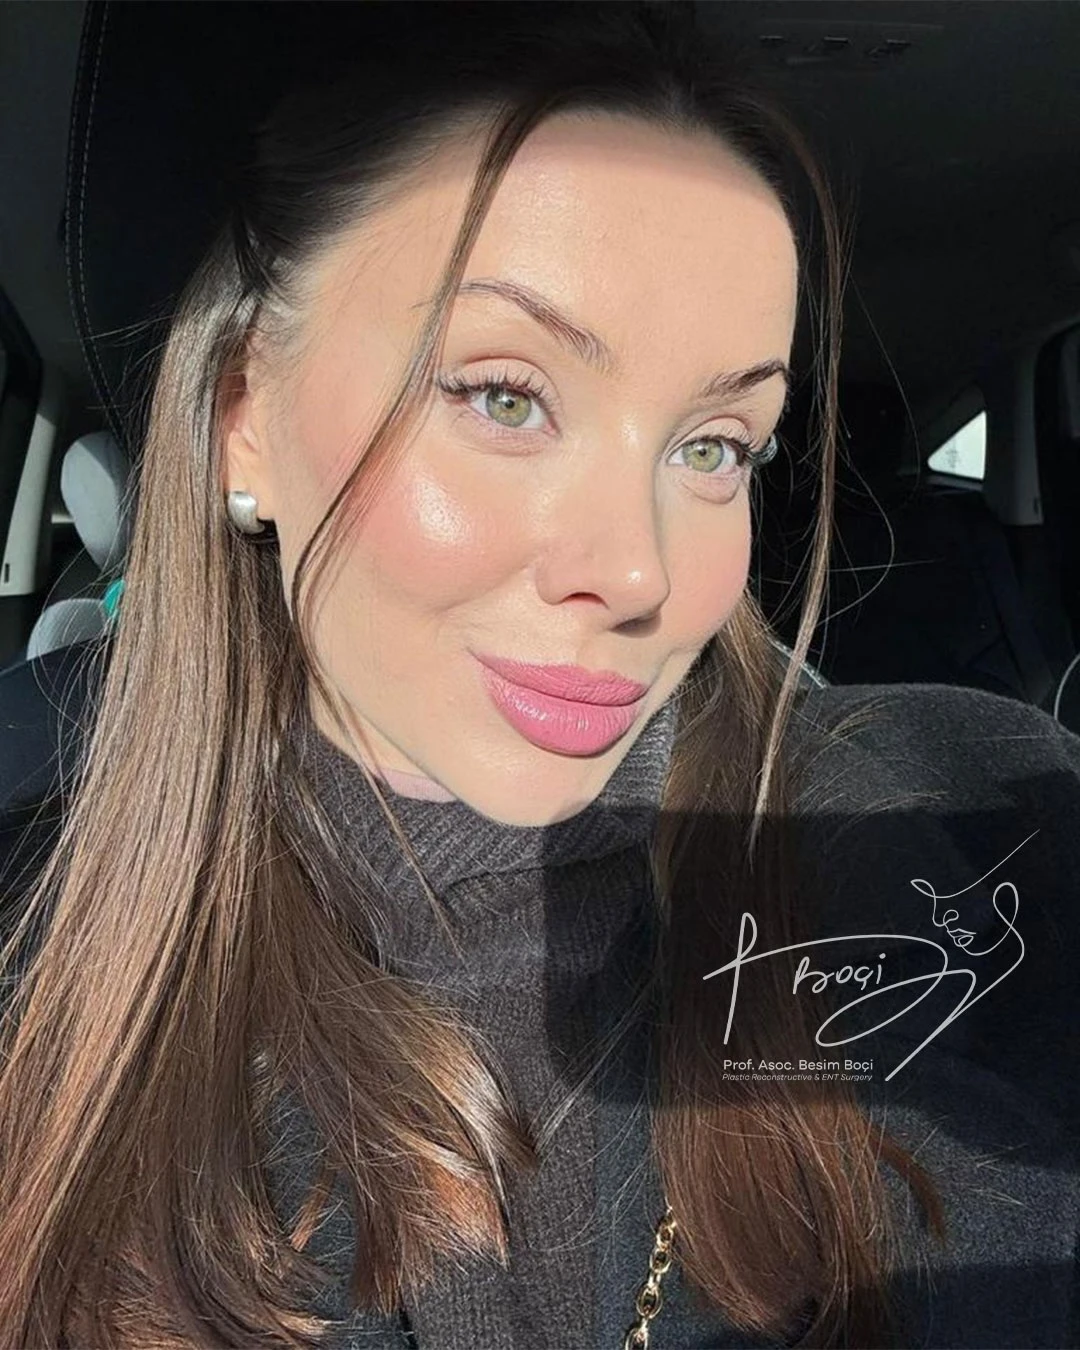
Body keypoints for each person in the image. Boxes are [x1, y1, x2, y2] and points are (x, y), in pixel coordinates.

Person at [0, 4, 1077, 1348]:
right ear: (241, 419)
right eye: (504, 396)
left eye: (715, 445)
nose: (639, 570)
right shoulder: (39, 968)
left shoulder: (964, 827)